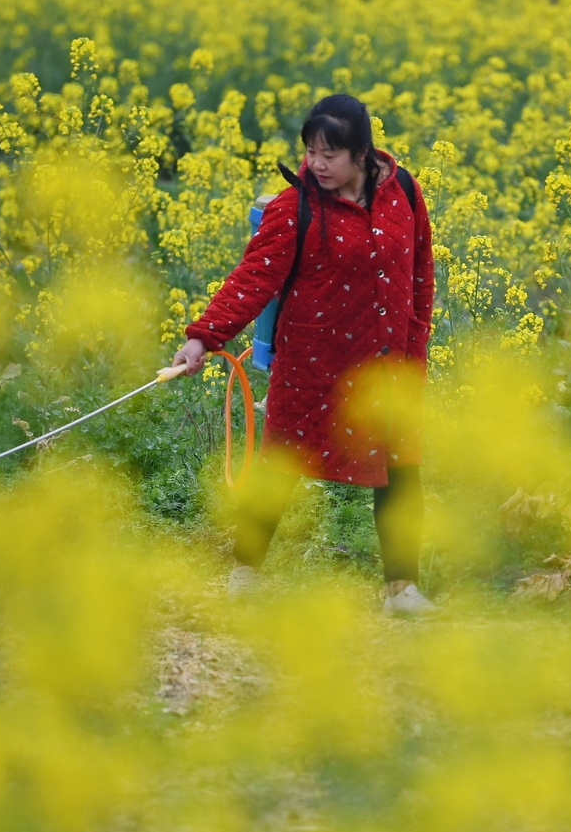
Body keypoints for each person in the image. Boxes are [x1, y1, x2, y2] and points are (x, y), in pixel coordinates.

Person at [173, 94, 440, 617]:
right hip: (315, 364)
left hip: (388, 366)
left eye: (330, 154)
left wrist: (416, 346)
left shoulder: (404, 191)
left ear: (361, 154)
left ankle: (401, 591)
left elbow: (420, 272)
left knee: (402, 470)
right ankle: (245, 575)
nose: (316, 164)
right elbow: (254, 279)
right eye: (311, 151)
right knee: (281, 466)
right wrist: (204, 336)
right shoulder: (294, 206)